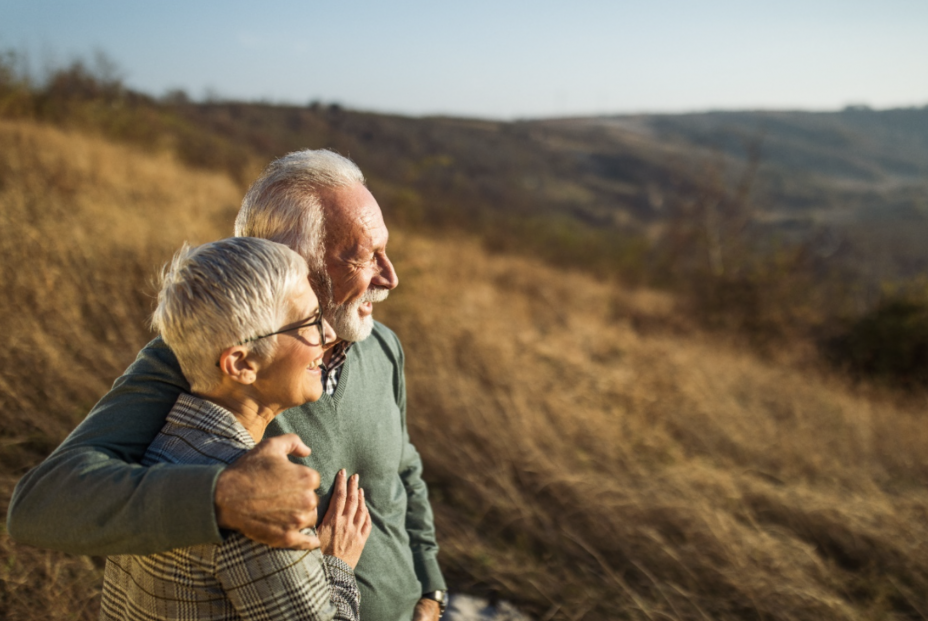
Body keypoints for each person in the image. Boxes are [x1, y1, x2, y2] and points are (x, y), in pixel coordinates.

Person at [8, 150, 448, 621]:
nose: (390, 277)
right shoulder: (198, 361)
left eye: (385, 250)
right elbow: (41, 505)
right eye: (363, 256)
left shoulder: (382, 345)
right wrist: (223, 496)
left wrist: (431, 591)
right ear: (287, 261)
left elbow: (403, 472)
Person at [102, 237, 368, 621]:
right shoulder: (260, 506)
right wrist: (336, 565)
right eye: (310, 321)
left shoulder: (153, 448)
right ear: (241, 364)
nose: (328, 336)